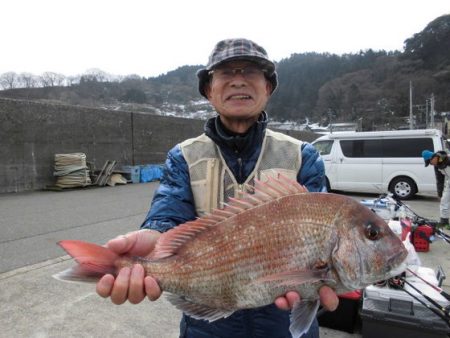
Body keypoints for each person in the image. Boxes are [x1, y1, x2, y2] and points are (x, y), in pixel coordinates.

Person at [96, 38, 339, 338]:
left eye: (250, 72)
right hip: (206, 323)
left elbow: (325, 232)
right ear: (209, 91)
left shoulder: (303, 155)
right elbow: (169, 213)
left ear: (268, 87)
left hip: (283, 323)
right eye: (226, 73)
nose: (238, 80)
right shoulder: (184, 155)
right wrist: (157, 238)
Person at [422, 149, 450, 228]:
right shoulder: (437, 166)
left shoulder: (448, 159)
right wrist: (440, 193)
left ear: (433, 157)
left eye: (430, 162)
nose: (430, 164)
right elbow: (440, 180)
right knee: (444, 201)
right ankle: (444, 221)